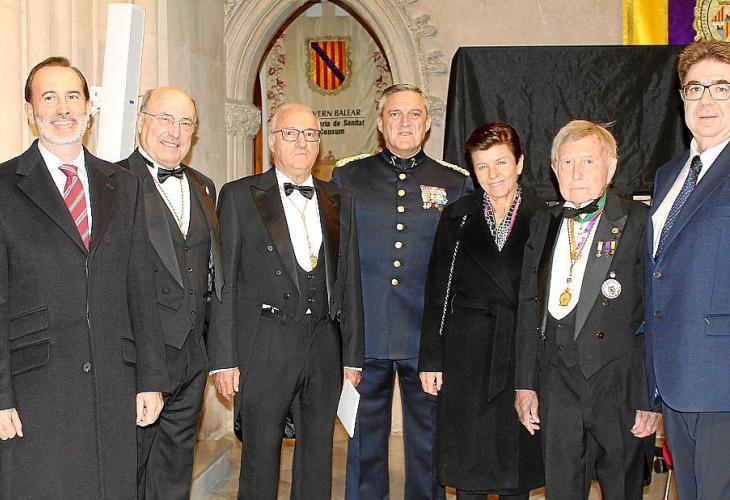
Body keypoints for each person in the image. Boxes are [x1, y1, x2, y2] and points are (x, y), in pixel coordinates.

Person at [0, 56, 166, 498]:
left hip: (114, 384)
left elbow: (140, 287)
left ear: (89, 107)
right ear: (30, 111)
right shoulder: (4, 186)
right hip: (37, 389)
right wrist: (1, 397)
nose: (63, 108)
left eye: (73, 96)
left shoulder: (124, 185)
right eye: (49, 97)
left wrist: (150, 378)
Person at [207, 103, 364, 499]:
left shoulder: (340, 199)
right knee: (260, 454)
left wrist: (353, 356)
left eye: (310, 134)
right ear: (273, 141)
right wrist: (224, 358)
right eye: (291, 133)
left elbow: (350, 281)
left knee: (319, 454)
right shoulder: (240, 195)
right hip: (266, 342)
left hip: (324, 343)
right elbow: (224, 283)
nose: (301, 142)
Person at [332, 83, 473, 500]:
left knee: (428, 443)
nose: (405, 122)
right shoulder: (348, 176)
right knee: (364, 443)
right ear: (380, 123)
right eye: (395, 114)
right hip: (368, 331)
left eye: (414, 114)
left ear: (428, 124)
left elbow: (461, 265)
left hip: (425, 336)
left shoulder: (454, 181)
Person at [514, 120, 660, 499]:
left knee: (622, 490)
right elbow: (528, 307)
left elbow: (657, 313)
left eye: (588, 162)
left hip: (619, 386)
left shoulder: (640, 221)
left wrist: (649, 397)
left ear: (610, 168)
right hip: (557, 384)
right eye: (567, 163)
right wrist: (526, 384)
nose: (576, 173)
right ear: (554, 169)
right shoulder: (543, 223)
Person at [419, 123, 543, 499]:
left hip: (520, 350)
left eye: (501, 163)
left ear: (519, 163)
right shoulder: (457, 216)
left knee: (514, 469)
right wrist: (431, 358)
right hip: (466, 354)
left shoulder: (544, 217)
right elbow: (438, 290)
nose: (493, 175)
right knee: (468, 465)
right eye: (482, 166)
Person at [119, 86, 222, 500]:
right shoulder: (114, 183)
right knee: (131, 468)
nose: (175, 132)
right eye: (165, 119)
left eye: (185, 123)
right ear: (141, 121)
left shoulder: (204, 186)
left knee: (177, 468)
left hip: (192, 357)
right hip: (140, 358)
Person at [645, 40, 730, 499]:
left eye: (722, 87)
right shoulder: (669, 174)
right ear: (682, 99)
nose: (706, 100)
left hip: (722, 379)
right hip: (674, 376)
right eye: (695, 88)